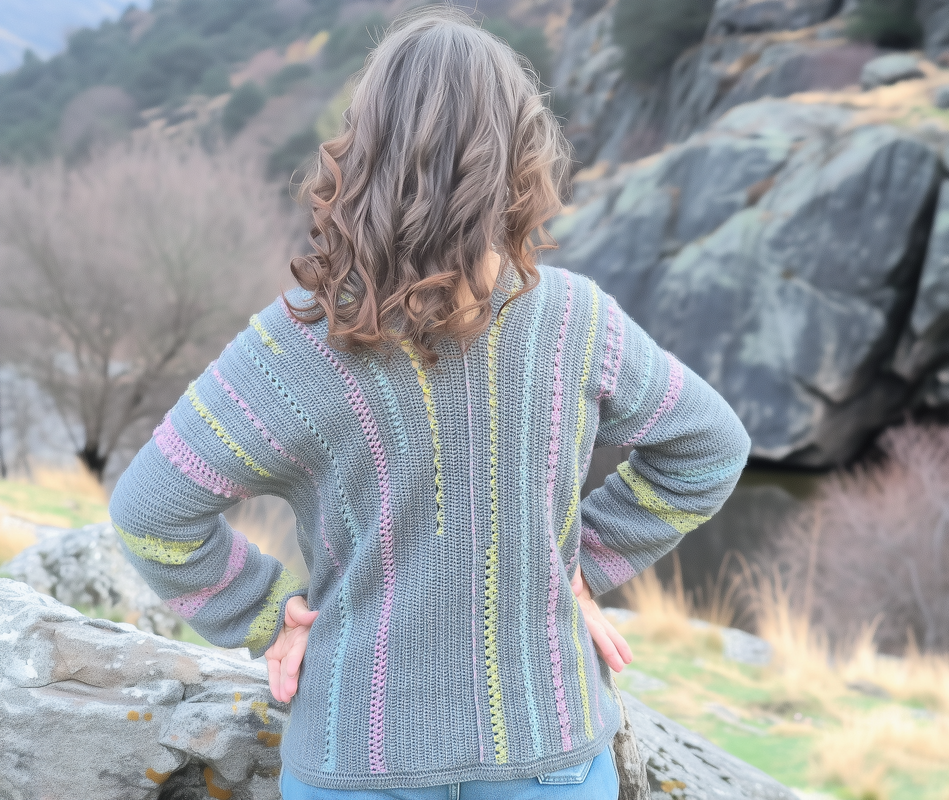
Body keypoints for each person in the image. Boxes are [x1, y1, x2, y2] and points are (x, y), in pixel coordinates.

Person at [108, 7, 752, 799]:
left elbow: (150, 513)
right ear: (521, 160)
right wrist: (573, 570)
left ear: (361, 155)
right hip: (545, 751)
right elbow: (709, 449)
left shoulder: (292, 344)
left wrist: (271, 615)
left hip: (355, 756)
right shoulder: (576, 320)